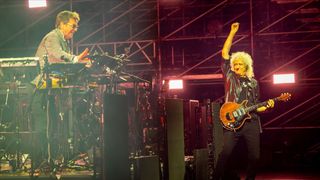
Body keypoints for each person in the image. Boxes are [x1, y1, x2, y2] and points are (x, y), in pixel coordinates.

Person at [27, 10, 90, 173]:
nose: (75, 29)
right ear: (61, 24)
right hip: (40, 89)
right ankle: (43, 161)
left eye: (76, 26)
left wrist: (79, 64)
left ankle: (52, 159)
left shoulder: (63, 40)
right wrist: (76, 59)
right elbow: (58, 55)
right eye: (73, 26)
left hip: (50, 90)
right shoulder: (53, 37)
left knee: (54, 126)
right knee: (44, 128)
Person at [214, 22, 275, 180]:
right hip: (233, 120)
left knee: (255, 157)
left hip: (251, 122)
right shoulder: (230, 76)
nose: (236, 66)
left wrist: (268, 106)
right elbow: (225, 52)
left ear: (246, 66)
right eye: (235, 64)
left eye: (240, 64)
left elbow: (257, 106)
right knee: (225, 153)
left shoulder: (254, 82)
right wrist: (232, 33)